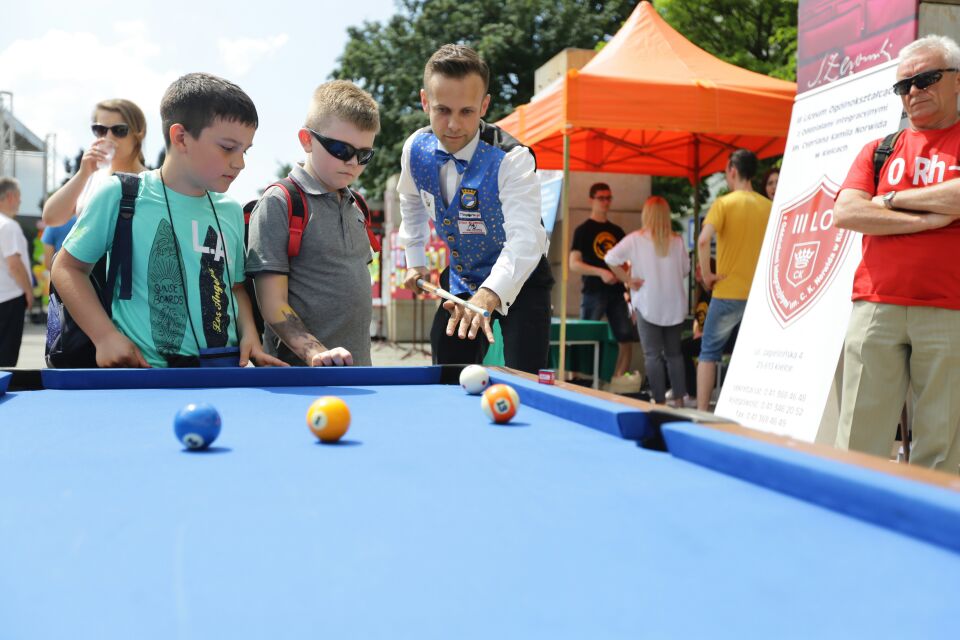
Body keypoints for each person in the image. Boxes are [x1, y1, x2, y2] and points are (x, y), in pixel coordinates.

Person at [51, 73, 284, 369]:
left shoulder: (231, 211)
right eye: (228, 148)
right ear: (181, 137)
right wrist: (104, 336)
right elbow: (67, 268)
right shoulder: (121, 194)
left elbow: (235, 287)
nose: (240, 163)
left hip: (223, 373)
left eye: (245, 150)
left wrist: (249, 332)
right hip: (144, 376)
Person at [834, 35, 960, 472]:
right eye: (904, 85)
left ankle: (932, 516)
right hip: (875, 304)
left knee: (942, 448)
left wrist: (889, 200)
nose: (914, 91)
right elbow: (847, 212)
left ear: (957, 81)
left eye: (927, 78)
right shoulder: (879, 149)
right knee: (857, 439)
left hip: (949, 307)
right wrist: (928, 219)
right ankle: (850, 509)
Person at [397, 44, 553, 374]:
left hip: (522, 276)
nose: (453, 124)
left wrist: (489, 293)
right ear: (424, 101)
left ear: (484, 105)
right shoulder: (414, 149)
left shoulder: (513, 159)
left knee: (526, 373)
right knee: (448, 368)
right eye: (442, 110)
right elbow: (410, 200)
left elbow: (526, 239)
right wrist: (415, 260)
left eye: (466, 111)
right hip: (461, 277)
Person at [246, 80, 379, 367]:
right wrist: (316, 353)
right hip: (300, 377)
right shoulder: (280, 203)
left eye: (364, 154)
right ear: (306, 140)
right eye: (341, 149)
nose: (353, 163)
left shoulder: (358, 205)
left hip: (356, 373)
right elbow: (272, 303)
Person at [696, 149, 771, 411]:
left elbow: (703, 240)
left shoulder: (723, 203)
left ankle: (702, 411)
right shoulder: (768, 206)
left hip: (727, 291)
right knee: (752, 354)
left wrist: (708, 276)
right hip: (759, 296)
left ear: (732, 170)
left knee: (709, 352)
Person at [604, 196, 689, 406]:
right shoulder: (677, 241)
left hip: (648, 303)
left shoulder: (635, 239)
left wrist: (627, 280)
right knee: (674, 355)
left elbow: (610, 258)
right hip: (675, 305)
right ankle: (680, 400)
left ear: (646, 215)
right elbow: (685, 270)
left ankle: (659, 401)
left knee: (652, 356)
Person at [569, 182, 638, 383]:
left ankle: (618, 380)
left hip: (617, 292)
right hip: (593, 291)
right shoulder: (583, 230)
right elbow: (574, 264)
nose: (606, 202)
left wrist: (625, 277)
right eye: (601, 198)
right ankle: (577, 379)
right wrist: (601, 272)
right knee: (584, 336)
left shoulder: (617, 231)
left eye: (609, 198)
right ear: (591, 200)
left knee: (625, 336)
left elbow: (627, 262)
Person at [42, 99, 148, 229]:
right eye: (100, 130)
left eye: (119, 130)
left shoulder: (151, 183)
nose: (108, 137)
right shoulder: (91, 177)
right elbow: (50, 218)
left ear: (139, 134)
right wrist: (83, 174)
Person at [0, 178, 32, 366]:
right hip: (10, 298)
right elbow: (14, 264)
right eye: (19, 196)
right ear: (10, 196)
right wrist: (28, 291)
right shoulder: (9, 226)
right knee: (6, 357)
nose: (20, 201)